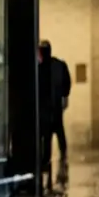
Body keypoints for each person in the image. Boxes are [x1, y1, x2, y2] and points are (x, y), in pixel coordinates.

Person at [38, 40, 71, 171]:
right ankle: (59, 155)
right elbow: (66, 82)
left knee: (49, 134)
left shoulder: (42, 67)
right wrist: (65, 96)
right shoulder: (58, 65)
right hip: (54, 104)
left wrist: (64, 96)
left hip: (48, 106)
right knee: (57, 131)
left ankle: (47, 159)